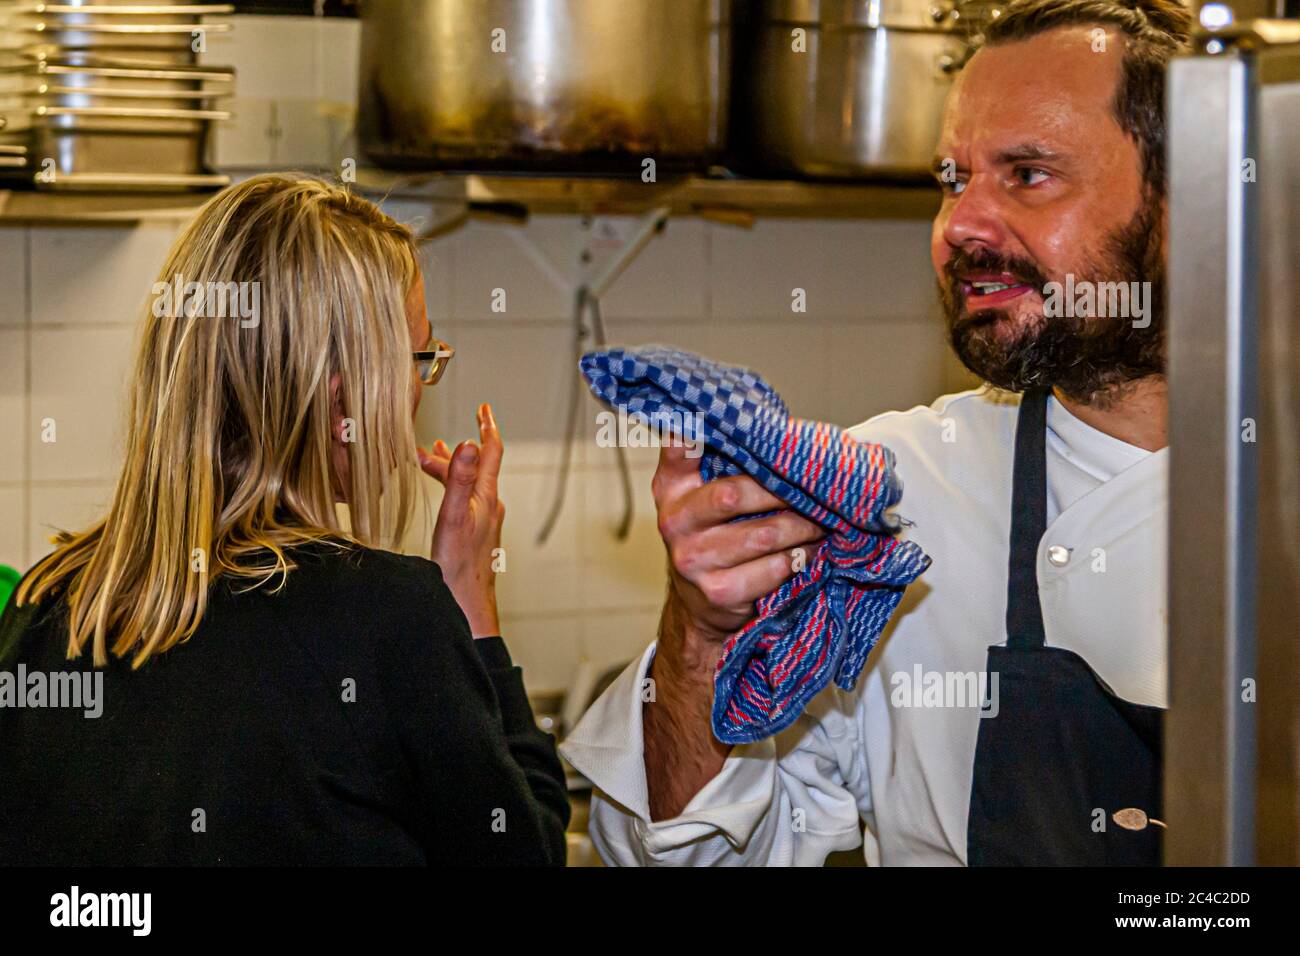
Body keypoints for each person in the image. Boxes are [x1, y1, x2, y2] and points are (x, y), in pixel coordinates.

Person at [561, 0, 1188, 866]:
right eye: (951, 179)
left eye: (1028, 174)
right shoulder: (882, 497)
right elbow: (688, 855)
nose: (958, 226)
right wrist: (700, 642)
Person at [0, 175, 569, 866]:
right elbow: (523, 854)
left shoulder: (42, 605)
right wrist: (473, 607)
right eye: (420, 358)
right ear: (343, 400)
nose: (422, 387)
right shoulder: (389, 618)